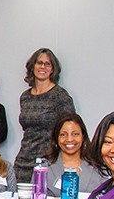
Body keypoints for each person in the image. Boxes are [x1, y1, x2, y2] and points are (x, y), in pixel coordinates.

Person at [14, 48, 76, 181]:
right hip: (23, 161)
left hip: (49, 162)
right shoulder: (25, 97)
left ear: (53, 69)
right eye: (39, 63)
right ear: (33, 66)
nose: (43, 67)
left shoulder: (60, 96)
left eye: (47, 64)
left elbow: (71, 129)